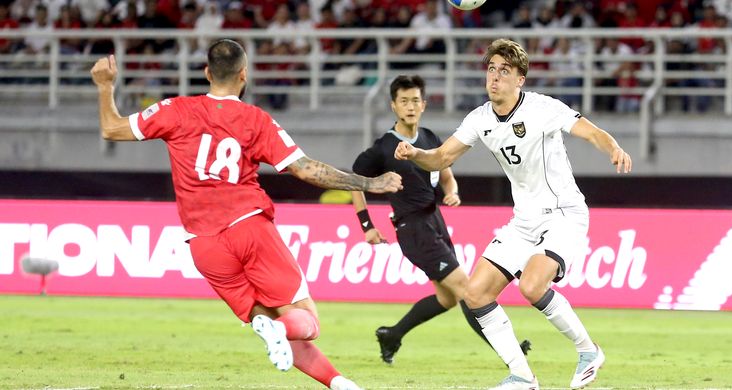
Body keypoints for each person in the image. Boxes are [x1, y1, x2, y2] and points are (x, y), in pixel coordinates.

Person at [90, 39, 403, 390]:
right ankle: (282, 333)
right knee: (306, 321)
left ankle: (339, 384)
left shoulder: (174, 110)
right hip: (248, 228)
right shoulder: (256, 120)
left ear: (207, 73)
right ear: (244, 74)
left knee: (265, 320)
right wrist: (369, 183)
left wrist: (105, 86)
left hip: (203, 245)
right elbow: (305, 169)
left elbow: (111, 128)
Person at [395, 38, 632, 389]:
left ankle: (588, 350)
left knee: (532, 285)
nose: (495, 77)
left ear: (520, 79)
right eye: (491, 69)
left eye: (504, 71)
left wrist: (613, 147)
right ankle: (522, 375)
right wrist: (416, 154)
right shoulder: (479, 118)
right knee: (475, 294)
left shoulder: (542, 109)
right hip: (524, 221)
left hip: (563, 213)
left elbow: (590, 132)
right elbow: (442, 158)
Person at [350, 75, 532, 365]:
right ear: (394, 106)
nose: (410, 107)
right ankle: (509, 350)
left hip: (434, 220)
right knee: (466, 289)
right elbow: (355, 182)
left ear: (423, 105)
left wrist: (453, 191)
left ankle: (392, 334)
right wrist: (367, 226)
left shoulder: (429, 138)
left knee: (447, 298)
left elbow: (445, 172)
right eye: (403, 101)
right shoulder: (383, 147)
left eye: (415, 101)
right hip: (412, 228)